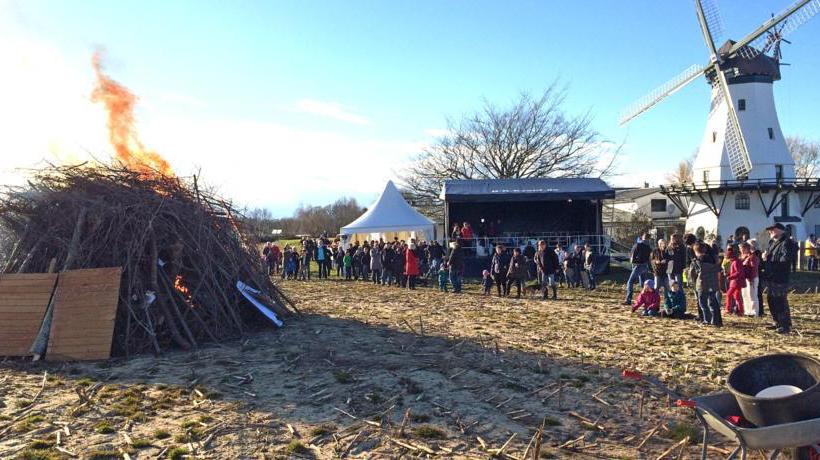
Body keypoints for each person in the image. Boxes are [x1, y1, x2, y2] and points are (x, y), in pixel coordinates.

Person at [762, 223, 793, 333]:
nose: (770, 232)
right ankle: (777, 322)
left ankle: (785, 325)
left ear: (780, 230)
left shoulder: (786, 243)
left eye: (772, 229)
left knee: (780, 300)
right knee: (771, 300)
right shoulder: (772, 243)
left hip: (780, 276)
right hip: (771, 276)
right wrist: (765, 259)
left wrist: (769, 260)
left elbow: (785, 260)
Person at [690, 242, 722, 327]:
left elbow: (693, 273)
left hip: (702, 284)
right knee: (712, 302)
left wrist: (693, 282)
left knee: (703, 304)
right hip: (712, 284)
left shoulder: (697, 262)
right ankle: (715, 321)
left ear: (696, 251)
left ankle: (706, 319)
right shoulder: (713, 260)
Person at [624, 233, 652, 305]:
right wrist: (650, 268)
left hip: (638, 265)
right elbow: (649, 259)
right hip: (645, 266)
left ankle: (628, 299)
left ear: (643, 237)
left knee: (630, 282)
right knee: (643, 284)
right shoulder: (649, 247)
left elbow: (633, 256)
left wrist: (633, 263)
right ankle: (646, 299)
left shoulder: (638, 245)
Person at [740, 241, 760, 316]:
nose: (741, 250)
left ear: (746, 248)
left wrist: (751, 279)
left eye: (742, 249)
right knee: (745, 294)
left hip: (752, 279)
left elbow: (753, 269)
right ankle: (747, 310)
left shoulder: (753, 257)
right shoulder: (744, 257)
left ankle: (754, 312)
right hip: (745, 278)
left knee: (752, 295)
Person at [724, 246, 746, 315]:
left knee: (728, 295)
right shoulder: (736, 261)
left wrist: (730, 277)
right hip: (737, 281)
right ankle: (741, 311)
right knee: (737, 296)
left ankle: (728, 309)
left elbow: (738, 272)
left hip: (735, 282)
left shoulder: (735, 262)